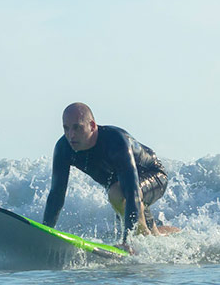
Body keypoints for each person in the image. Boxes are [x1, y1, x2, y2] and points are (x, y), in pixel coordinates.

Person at [43, 102, 178, 245]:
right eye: (66, 128)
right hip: (125, 186)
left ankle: (137, 244)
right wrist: (45, 232)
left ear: (92, 126)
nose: (71, 135)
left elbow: (132, 193)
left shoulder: (116, 142)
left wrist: (127, 242)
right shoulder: (63, 148)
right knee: (152, 235)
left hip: (154, 175)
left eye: (77, 127)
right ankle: (178, 236)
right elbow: (56, 195)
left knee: (117, 194)